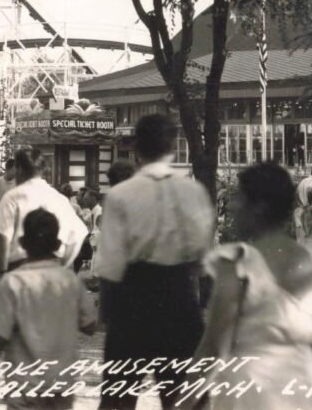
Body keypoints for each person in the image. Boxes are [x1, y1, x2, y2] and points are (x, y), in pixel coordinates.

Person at [189, 162, 312, 409]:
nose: (231, 206)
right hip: (305, 384)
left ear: (259, 208)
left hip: (252, 387)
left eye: (239, 198)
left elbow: (213, 346)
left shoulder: (238, 263)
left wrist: (184, 402)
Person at [95, 114, 215, 409]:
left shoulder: (120, 195)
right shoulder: (193, 192)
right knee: (184, 398)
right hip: (179, 298)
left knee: (118, 399)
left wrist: (107, 315)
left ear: (136, 147)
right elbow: (204, 261)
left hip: (132, 300)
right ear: (172, 146)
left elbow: (111, 265)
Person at [0, 209, 97, 409]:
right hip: (61, 385)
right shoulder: (71, 282)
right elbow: (90, 326)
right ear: (58, 245)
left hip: (24, 386)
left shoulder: (13, 282)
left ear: (22, 243)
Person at [0, 149, 88, 275]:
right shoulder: (59, 198)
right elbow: (78, 235)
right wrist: (63, 264)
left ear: (19, 169)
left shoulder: (12, 197)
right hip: (53, 267)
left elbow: (2, 236)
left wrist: (3, 271)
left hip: (20, 267)